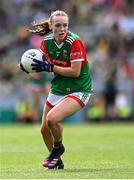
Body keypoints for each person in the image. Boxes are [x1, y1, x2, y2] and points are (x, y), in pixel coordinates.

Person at [20, 10, 93, 169]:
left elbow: (75, 72)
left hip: (79, 89)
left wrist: (51, 67)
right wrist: (28, 67)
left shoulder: (75, 42)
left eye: (65, 25)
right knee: (44, 129)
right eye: (58, 25)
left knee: (52, 119)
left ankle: (58, 148)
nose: (62, 29)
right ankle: (57, 162)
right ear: (51, 26)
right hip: (59, 88)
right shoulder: (46, 42)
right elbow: (39, 63)